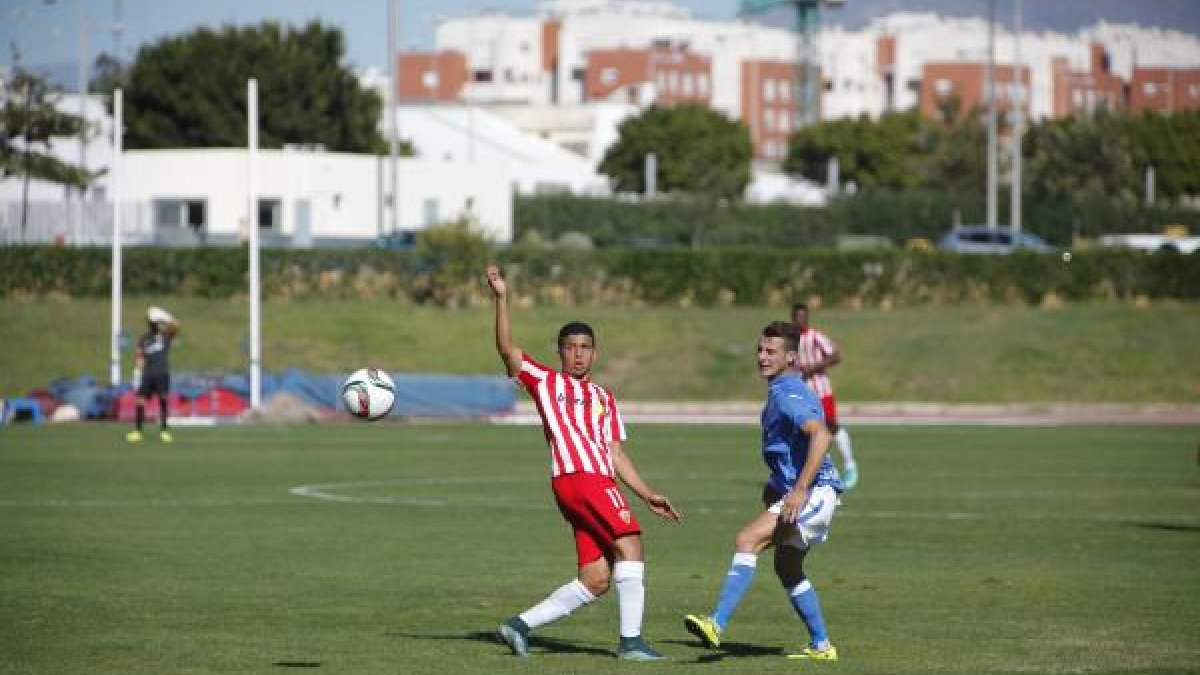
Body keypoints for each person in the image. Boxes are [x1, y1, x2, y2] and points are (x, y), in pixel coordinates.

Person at [485, 264, 683, 661]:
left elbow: (614, 452)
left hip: (591, 481)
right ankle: (630, 643)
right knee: (632, 547)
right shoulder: (546, 381)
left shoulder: (605, 398)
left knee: (595, 580)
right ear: (559, 351)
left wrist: (646, 494)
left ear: (594, 352)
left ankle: (518, 625)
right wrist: (502, 298)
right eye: (570, 347)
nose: (577, 354)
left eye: (584, 347)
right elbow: (508, 350)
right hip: (580, 479)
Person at [684, 321, 842, 661]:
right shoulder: (783, 391)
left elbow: (822, 434)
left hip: (816, 491)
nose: (761, 356)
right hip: (810, 492)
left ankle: (716, 623)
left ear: (790, 358)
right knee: (788, 568)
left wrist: (799, 490)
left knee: (746, 540)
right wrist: (777, 488)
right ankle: (821, 646)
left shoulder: (789, 392)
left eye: (771, 352)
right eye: (759, 349)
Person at [790, 303, 858, 490]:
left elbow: (835, 356)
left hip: (822, 391)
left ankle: (850, 466)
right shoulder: (790, 341)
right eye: (796, 317)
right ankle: (810, 473)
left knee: (831, 428)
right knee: (804, 432)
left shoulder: (815, 336)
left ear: (807, 318)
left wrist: (814, 367)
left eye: (802, 317)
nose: (799, 320)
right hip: (803, 394)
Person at [125, 306, 179, 443]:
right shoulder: (144, 338)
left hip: (162, 373)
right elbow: (139, 356)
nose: (154, 324)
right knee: (140, 401)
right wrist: (137, 372)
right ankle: (137, 432)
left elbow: (176, 325)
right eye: (152, 322)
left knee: (163, 400)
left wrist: (163, 315)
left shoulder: (165, 336)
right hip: (147, 375)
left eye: (155, 322)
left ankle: (164, 431)